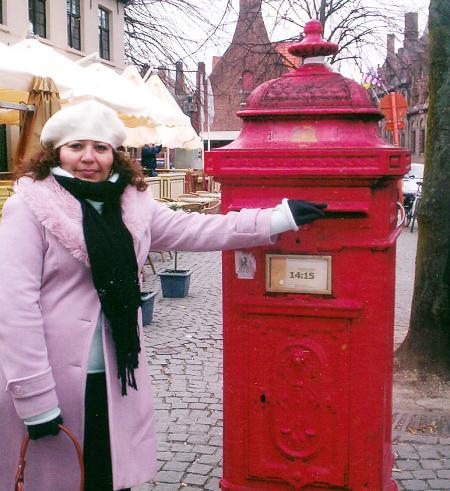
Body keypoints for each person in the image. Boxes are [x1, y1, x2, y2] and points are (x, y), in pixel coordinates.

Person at [0, 100, 326, 491]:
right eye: (76, 147)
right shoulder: (30, 207)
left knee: (107, 477)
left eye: (101, 148)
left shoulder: (131, 203)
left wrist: (275, 218)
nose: (89, 158)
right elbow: (14, 305)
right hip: (52, 379)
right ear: (56, 152)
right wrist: (35, 398)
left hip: (117, 370)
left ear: (115, 155)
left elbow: (196, 230)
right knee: (55, 481)